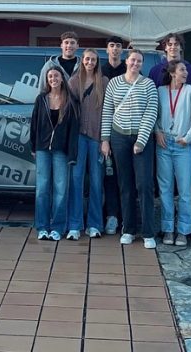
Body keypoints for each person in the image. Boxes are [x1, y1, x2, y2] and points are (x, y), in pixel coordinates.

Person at [101, 49, 159, 249]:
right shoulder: (114, 83)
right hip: (119, 137)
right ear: (126, 61)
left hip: (142, 139)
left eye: (139, 61)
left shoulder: (148, 84)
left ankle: (148, 232)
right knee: (125, 185)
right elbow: (107, 111)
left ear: (142, 64)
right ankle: (128, 229)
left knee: (144, 185)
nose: (135, 63)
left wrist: (141, 141)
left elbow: (151, 113)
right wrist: (105, 139)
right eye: (133, 60)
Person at [156, 61, 191, 246]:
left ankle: (184, 230)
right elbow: (153, 114)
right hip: (164, 144)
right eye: (182, 70)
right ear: (172, 73)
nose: (186, 73)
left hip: (183, 145)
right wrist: (157, 132)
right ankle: (168, 229)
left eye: (185, 70)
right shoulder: (161, 91)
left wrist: (188, 137)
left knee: (185, 190)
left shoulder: (190, 91)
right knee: (165, 189)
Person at [31, 63, 80, 241]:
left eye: (56, 76)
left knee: (61, 189)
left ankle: (58, 228)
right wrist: (33, 147)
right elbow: (34, 124)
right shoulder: (41, 99)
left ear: (62, 79)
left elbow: (74, 130)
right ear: (47, 79)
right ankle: (42, 227)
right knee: (42, 189)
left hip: (61, 151)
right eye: (50, 76)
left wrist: (72, 153)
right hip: (42, 149)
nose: (53, 79)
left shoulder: (70, 100)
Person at [68, 48, 108, 239]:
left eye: (93, 59)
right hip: (78, 138)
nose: (90, 62)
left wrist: (105, 139)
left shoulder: (104, 82)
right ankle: (75, 225)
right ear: (82, 61)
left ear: (97, 62)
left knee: (96, 181)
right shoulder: (73, 82)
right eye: (87, 59)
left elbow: (109, 111)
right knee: (76, 180)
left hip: (97, 138)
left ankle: (95, 224)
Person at [100, 36, 126, 234]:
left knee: (124, 176)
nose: (115, 49)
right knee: (107, 177)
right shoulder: (99, 70)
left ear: (122, 50)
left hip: (125, 132)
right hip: (101, 130)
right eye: (112, 46)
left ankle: (125, 217)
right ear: (107, 49)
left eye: (118, 46)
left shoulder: (130, 69)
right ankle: (110, 215)